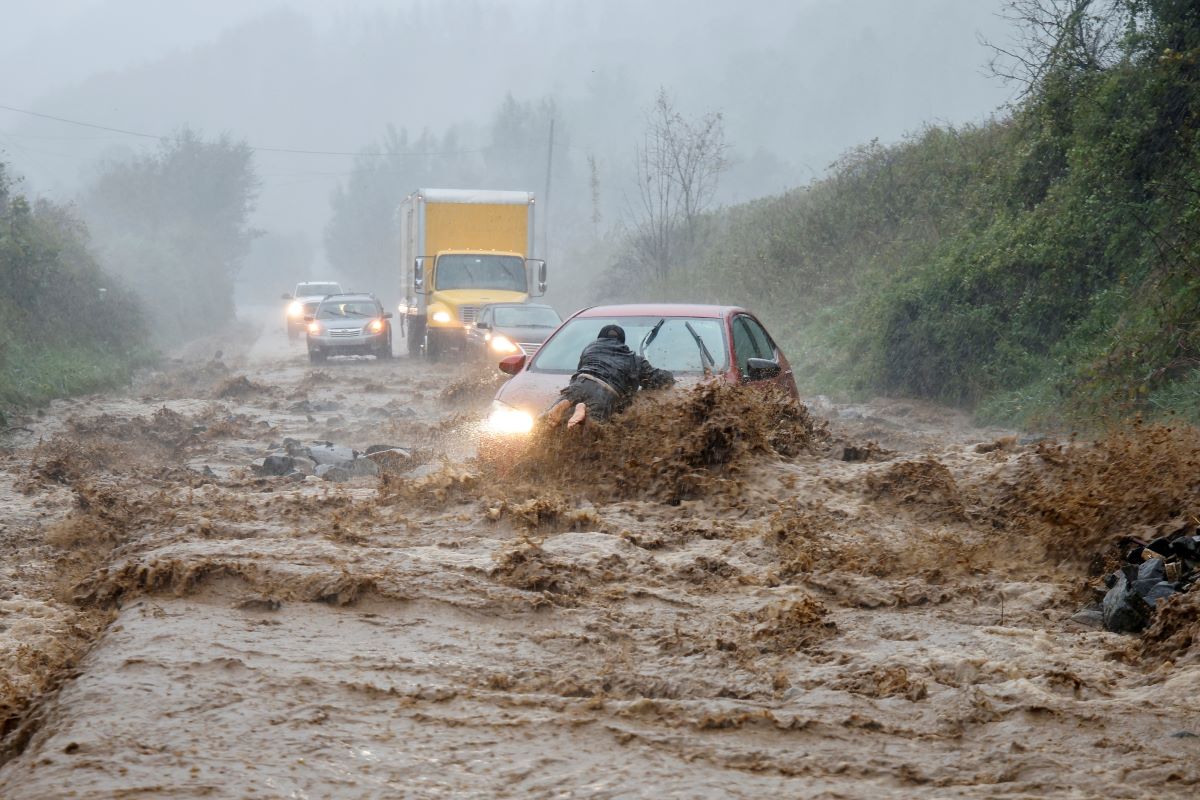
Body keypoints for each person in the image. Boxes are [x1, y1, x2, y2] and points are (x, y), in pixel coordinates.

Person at [544, 324, 674, 428]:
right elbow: (656, 378)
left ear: (600, 339)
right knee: (592, 430)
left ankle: (570, 402)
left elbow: (578, 372)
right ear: (622, 342)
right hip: (606, 391)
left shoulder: (589, 350)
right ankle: (583, 411)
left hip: (582, 381)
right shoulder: (633, 359)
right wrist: (671, 378)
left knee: (546, 422)